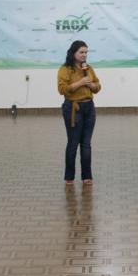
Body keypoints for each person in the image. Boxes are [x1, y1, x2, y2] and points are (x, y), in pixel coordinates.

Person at [57, 41, 101, 186]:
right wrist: (81, 82)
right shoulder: (65, 69)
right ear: (73, 53)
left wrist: (90, 84)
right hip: (73, 108)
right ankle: (69, 177)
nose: (84, 55)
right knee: (73, 143)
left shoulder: (88, 68)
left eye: (86, 52)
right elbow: (62, 89)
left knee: (86, 144)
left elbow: (97, 87)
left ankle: (86, 176)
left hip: (89, 107)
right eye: (81, 52)